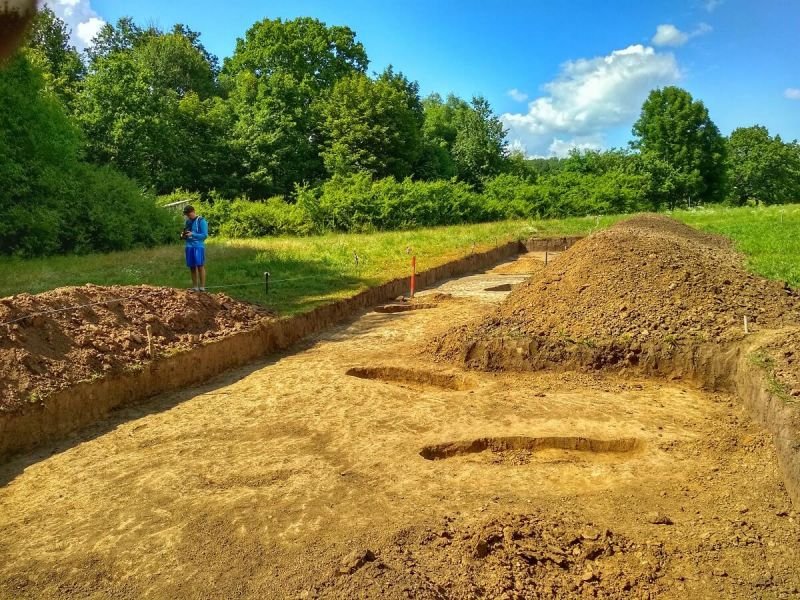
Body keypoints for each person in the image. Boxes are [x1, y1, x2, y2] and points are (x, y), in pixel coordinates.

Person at [182, 205, 208, 291]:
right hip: (189, 246)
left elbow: (204, 235)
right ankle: (195, 287)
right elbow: (186, 232)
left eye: (189, 214)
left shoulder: (201, 220)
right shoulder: (187, 222)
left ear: (193, 211)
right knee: (192, 267)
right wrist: (183, 235)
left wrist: (193, 234)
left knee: (200, 266)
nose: (188, 216)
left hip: (198, 246)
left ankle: (202, 287)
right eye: (187, 215)